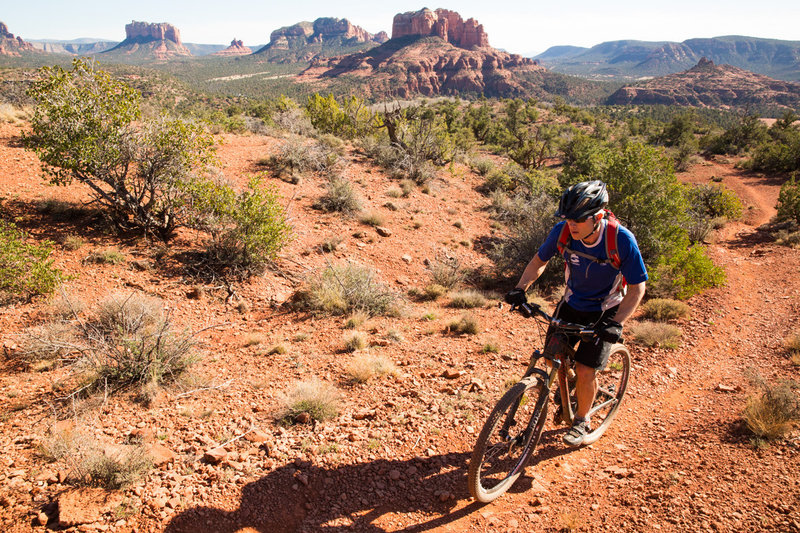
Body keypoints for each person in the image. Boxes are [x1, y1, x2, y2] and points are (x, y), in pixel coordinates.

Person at [504, 180, 647, 446]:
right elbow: (539, 261)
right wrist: (520, 289)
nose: (572, 224)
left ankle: (582, 420)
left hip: (606, 310)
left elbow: (638, 287)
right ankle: (570, 387)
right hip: (572, 303)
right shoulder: (563, 233)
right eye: (568, 218)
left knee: (584, 370)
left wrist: (616, 324)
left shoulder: (620, 239)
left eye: (579, 219)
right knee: (550, 359)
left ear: (598, 217)